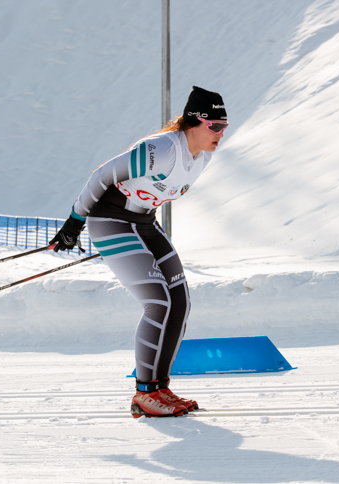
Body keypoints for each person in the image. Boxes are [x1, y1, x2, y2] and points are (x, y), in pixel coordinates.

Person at [50, 86, 228, 417]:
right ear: (194, 123)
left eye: (224, 127)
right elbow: (102, 176)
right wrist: (74, 222)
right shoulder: (161, 149)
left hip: (144, 222)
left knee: (179, 301)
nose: (220, 133)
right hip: (111, 221)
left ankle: (160, 388)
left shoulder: (201, 157)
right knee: (158, 302)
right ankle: (144, 393)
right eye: (214, 126)